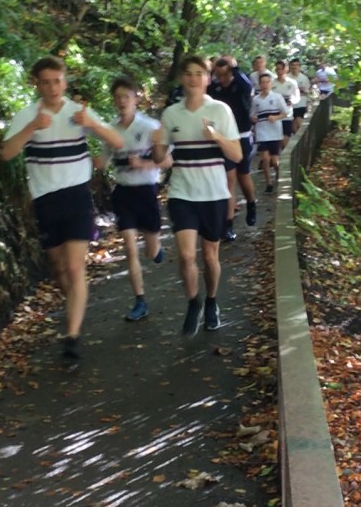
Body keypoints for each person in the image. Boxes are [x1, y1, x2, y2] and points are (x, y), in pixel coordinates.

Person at [0, 55, 124, 361]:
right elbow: (6, 153)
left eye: (58, 81)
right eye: (46, 82)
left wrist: (92, 124)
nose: (53, 87)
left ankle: (72, 337)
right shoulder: (27, 115)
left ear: (65, 82)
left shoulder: (78, 112)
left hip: (77, 196)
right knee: (58, 268)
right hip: (45, 199)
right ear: (37, 84)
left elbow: (118, 142)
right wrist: (32, 128)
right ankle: (74, 307)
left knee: (74, 267)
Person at [152, 55, 242, 336]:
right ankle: (194, 302)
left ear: (207, 79)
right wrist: (157, 143)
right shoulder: (170, 114)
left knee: (210, 256)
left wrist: (216, 136)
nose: (193, 78)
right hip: (182, 193)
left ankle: (212, 300)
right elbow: (160, 157)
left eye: (199, 73)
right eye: (188, 73)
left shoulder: (221, 110)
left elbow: (237, 155)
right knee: (186, 255)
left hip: (214, 193)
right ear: (182, 78)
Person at [100, 76, 170, 322]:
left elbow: (168, 161)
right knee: (130, 247)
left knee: (151, 251)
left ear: (136, 99)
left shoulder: (150, 127)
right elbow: (103, 161)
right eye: (118, 97)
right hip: (123, 192)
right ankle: (140, 300)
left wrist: (143, 163)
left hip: (147, 191)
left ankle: (157, 248)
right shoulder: (109, 129)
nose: (122, 101)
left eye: (126, 97)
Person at [208, 55, 256, 239]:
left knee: (243, 176)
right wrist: (212, 69)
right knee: (229, 181)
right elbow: (204, 88)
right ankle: (228, 225)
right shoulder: (215, 88)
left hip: (242, 137)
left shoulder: (240, 86)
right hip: (223, 138)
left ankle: (251, 203)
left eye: (225, 75)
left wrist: (234, 67)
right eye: (218, 75)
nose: (222, 79)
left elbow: (248, 86)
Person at [251, 72, 290, 193]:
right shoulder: (256, 99)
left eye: (267, 82)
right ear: (259, 84)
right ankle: (269, 182)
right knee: (265, 159)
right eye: (262, 82)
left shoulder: (277, 97)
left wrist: (275, 117)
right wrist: (253, 118)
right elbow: (252, 114)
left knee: (274, 160)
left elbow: (285, 112)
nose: (265, 84)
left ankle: (279, 174)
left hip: (275, 132)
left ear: (271, 83)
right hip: (262, 131)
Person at [273, 60, 300, 148]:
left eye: (281, 69)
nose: (279, 71)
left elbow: (297, 97)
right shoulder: (272, 83)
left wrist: (292, 101)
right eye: (277, 69)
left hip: (287, 115)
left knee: (285, 139)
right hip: (275, 116)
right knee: (278, 141)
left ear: (286, 69)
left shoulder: (292, 83)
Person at [288, 57, 312, 132]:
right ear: (290, 66)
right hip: (290, 104)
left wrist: (309, 103)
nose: (295, 67)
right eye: (293, 65)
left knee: (299, 121)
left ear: (299, 66)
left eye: (296, 65)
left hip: (301, 103)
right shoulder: (287, 77)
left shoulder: (304, 78)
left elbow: (308, 91)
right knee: (293, 123)